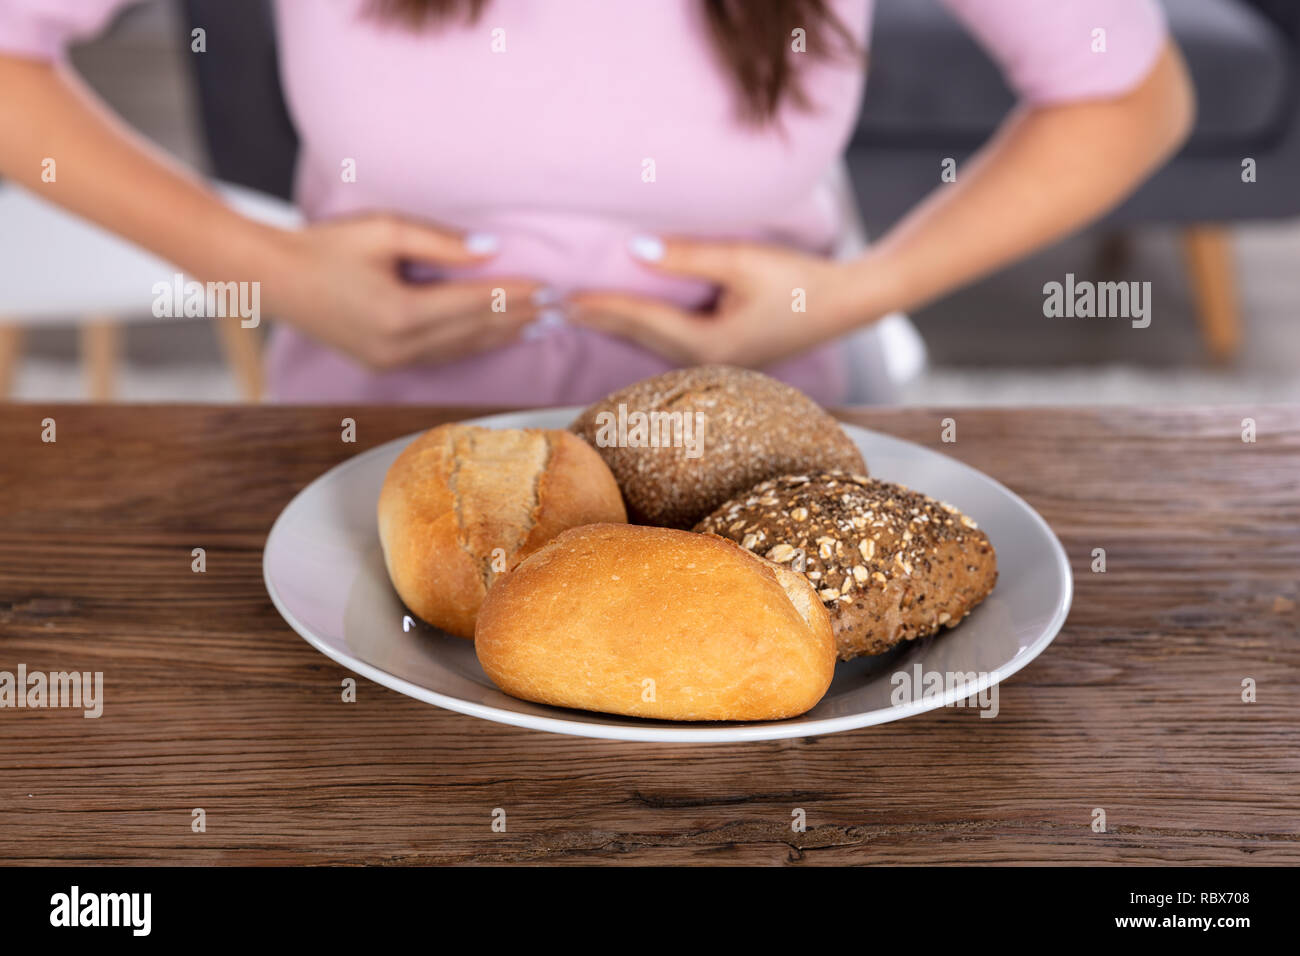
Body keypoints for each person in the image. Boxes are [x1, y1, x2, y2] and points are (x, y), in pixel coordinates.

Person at [0, 0, 1193, 405]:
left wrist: (856, 297)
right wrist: (264, 265)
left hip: (751, 478)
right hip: (354, 466)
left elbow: (1128, 93)